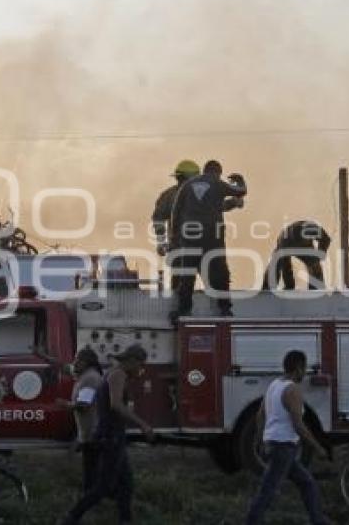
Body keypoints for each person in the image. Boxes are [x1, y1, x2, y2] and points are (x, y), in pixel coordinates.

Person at [60, 344, 155, 525]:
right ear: (132, 360)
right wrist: (143, 424)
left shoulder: (119, 374)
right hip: (110, 436)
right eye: (141, 364)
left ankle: (125, 520)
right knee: (103, 486)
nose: (142, 369)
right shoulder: (118, 374)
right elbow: (116, 405)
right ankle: (72, 517)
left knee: (126, 483)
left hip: (115, 435)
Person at [245, 350, 329, 525]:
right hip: (283, 447)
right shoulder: (292, 390)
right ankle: (252, 521)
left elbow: (260, 415)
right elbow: (299, 425)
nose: (305, 373)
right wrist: (317, 447)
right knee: (268, 490)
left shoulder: (274, 385)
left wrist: (260, 440)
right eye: (304, 368)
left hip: (276, 446)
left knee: (307, 483)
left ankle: (318, 520)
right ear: (298, 368)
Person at [169, 160, 247, 319]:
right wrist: (239, 180)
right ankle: (225, 308)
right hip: (212, 234)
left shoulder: (187, 186)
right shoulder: (219, 184)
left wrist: (175, 237)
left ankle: (184, 309)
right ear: (218, 172)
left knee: (187, 273)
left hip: (189, 235)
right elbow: (241, 191)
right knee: (219, 270)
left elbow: (175, 213)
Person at [61, 347, 104, 493]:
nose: (75, 362)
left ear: (87, 362)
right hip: (88, 433)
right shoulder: (83, 374)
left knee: (91, 473)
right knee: (92, 471)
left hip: (93, 434)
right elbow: (65, 367)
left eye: (78, 359)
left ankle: (91, 502)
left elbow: (84, 405)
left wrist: (66, 405)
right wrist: (45, 357)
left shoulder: (91, 378)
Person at [151, 159, 201, 257]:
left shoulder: (168, 195)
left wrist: (161, 241)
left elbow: (158, 218)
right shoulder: (202, 194)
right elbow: (158, 218)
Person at [263, 220, 331, 290]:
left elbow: (326, 239)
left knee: (313, 263)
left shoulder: (311, 229)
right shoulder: (284, 239)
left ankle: (316, 287)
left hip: (298, 243)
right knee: (278, 263)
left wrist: (320, 254)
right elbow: (285, 266)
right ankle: (269, 287)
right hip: (288, 242)